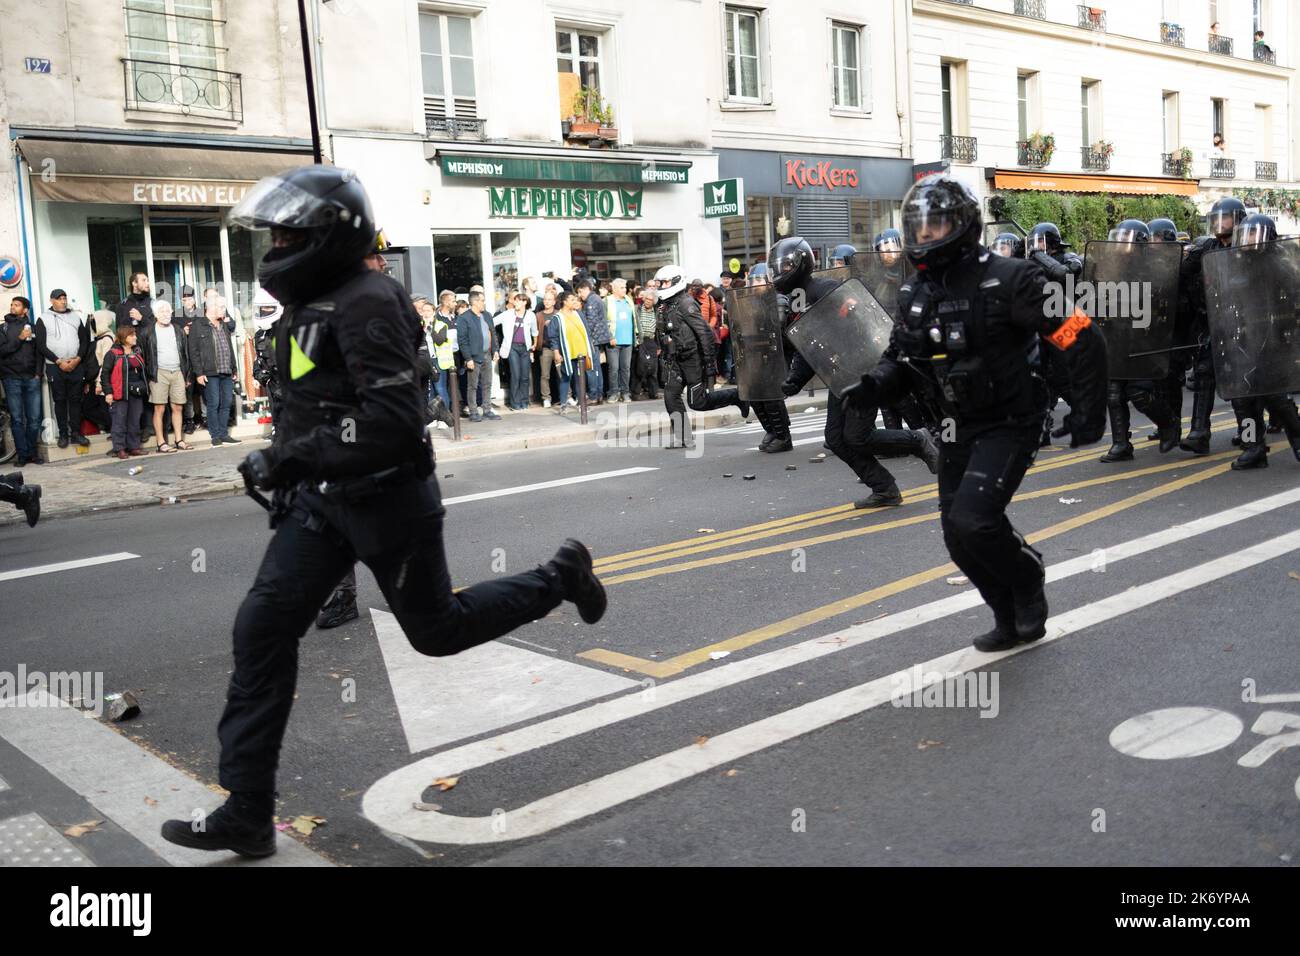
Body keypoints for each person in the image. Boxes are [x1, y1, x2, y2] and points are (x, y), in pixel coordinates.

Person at [157, 165, 606, 858]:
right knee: (261, 629)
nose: (275, 245)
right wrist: (292, 463)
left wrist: (290, 457)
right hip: (319, 506)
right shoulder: (313, 300)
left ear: (325, 237)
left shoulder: (369, 300)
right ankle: (247, 810)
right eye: (273, 233)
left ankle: (561, 577)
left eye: (287, 233)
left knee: (435, 631)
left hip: (390, 500)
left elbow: (394, 421)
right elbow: (316, 404)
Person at [843, 174, 1107, 653]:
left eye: (935, 226)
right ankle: (1006, 616)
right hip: (957, 425)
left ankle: (1029, 580)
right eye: (917, 229)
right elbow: (902, 359)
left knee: (976, 520)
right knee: (957, 537)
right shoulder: (914, 294)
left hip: (1013, 420)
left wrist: (1090, 411)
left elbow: (1081, 335)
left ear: (962, 225)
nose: (925, 237)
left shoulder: (1013, 279)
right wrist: (872, 386)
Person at [773, 237, 939, 507]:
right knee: (836, 438)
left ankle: (917, 439)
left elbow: (861, 324)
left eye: (785, 264)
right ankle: (884, 488)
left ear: (801, 263)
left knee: (857, 436)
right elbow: (810, 346)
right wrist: (794, 381)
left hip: (863, 369)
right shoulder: (796, 303)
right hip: (839, 374)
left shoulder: (827, 289)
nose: (779, 271)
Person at [1218, 214, 1300, 470]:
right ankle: (1253, 447)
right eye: (1245, 233)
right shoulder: (1235, 264)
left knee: (1276, 397)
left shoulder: (1281, 264)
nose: (1247, 238)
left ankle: (1299, 442)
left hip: (1273, 340)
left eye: (1253, 233)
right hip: (1243, 338)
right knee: (1242, 398)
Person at [1095, 219, 1181, 463]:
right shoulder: (1108, 266)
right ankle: (1121, 444)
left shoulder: (1153, 267)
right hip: (1116, 338)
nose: (1120, 243)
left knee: (1139, 393)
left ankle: (1169, 423)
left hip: (1144, 341)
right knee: (1113, 394)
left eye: (1126, 238)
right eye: (1118, 237)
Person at [655, 263, 749, 450]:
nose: (660, 287)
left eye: (664, 283)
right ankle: (683, 438)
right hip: (675, 360)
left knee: (697, 402)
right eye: (660, 283)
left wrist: (709, 363)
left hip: (692, 359)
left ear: (675, 282)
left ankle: (736, 396)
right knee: (670, 395)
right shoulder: (665, 305)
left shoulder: (686, 304)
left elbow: (704, 334)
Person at [1180, 196, 1246, 455]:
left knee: (1244, 382)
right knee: (1205, 373)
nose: (1220, 224)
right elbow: (1183, 274)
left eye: (1225, 218)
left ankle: (1249, 432)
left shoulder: (1249, 243)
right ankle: (1199, 434)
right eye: (1216, 219)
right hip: (1213, 321)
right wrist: (1188, 257)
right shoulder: (1208, 246)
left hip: (1243, 321)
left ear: (1237, 220)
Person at [1025, 222, 1084, 445]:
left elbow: (1064, 274)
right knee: (1039, 378)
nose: (1035, 247)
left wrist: (1039, 256)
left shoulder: (1070, 258)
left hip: (1067, 324)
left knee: (1062, 378)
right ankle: (1042, 430)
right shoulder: (1031, 263)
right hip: (1041, 326)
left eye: (1040, 243)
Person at [36, 289, 91, 449]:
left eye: (65, 298)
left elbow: (84, 340)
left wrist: (78, 359)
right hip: (55, 366)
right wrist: (58, 361)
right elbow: (41, 345)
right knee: (59, 401)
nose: (63, 301)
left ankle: (76, 433)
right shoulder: (43, 318)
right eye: (59, 299)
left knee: (76, 401)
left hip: (76, 364)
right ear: (52, 300)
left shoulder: (75, 317)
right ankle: (63, 435)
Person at [139, 299, 194, 453]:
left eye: (167, 310)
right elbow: (143, 355)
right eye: (161, 311)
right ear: (156, 314)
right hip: (158, 373)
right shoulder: (147, 332)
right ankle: (161, 442)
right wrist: (149, 375)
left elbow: (186, 354)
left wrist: (187, 376)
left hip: (177, 372)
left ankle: (179, 440)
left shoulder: (178, 330)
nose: (165, 313)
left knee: (178, 407)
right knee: (159, 408)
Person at [187, 292, 240, 447]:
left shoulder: (223, 324)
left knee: (227, 402)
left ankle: (224, 434)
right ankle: (215, 435)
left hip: (226, 371)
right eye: (221, 307)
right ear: (211, 308)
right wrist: (199, 373)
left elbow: (229, 347)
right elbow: (193, 351)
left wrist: (234, 368)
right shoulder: (198, 324)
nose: (224, 310)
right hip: (210, 372)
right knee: (213, 403)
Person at [1, 297, 44, 466]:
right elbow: (2, 351)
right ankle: (22, 455)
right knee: (18, 419)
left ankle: (32, 453)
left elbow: (39, 352)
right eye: (12, 304)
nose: (13, 307)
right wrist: (19, 338)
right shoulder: (3, 328)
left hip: (31, 378)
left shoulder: (33, 328)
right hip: (11, 378)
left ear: (25, 310)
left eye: (17, 305)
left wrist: (38, 373)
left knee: (34, 418)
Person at [100, 325, 147, 460]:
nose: (135, 337)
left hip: (135, 391)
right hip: (120, 392)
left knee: (135, 420)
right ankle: (119, 448)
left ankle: (134, 447)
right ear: (123, 337)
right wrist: (108, 392)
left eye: (135, 335)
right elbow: (105, 374)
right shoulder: (113, 354)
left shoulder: (136, 352)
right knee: (119, 420)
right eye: (131, 335)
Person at [456, 291, 498, 422]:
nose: (484, 303)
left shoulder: (487, 315)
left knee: (487, 383)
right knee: (472, 386)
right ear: (475, 302)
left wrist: (495, 350)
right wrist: (468, 358)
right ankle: (473, 412)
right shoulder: (464, 318)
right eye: (482, 300)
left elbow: (493, 333)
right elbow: (462, 340)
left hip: (487, 354)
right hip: (473, 356)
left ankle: (487, 409)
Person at [551, 290, 595, 409]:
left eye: (575, 299)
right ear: (565, 302)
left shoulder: (578, 314)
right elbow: (553, 337)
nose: (575, 302)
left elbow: (586, 330)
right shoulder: (557, 317)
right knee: (565, 377)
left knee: (580, 378)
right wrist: (556, 352)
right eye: (572, 300)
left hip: (581, 352)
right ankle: (563, 403)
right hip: (567, 352)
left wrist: (589, 348)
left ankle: (582, 404)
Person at [495, 291, 535, 411]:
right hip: (512, 347)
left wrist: (534, 346)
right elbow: (492, 322)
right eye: (515, 300)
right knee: (516, 375)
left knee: (525, 377)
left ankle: (524, 401)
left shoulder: (530, 315)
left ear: (524, 302)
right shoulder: (507, 314)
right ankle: (515, 403)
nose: (515, 302)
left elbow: (535, 332)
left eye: (518, 300)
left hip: (525, 348)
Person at [251, 287, 284, 429]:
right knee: (276, 420)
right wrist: (258, 374)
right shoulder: (260, 335)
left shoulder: (287, 329)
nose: (263, 312)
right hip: (272, 383)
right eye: (260, 309)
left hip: (289, 383)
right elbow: (258, 359)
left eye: (266, 309)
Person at [577, 279, 611, 403]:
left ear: (586, 289)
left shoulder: (591, 301)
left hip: (592, 339)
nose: (580, 295)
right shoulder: (596, 298)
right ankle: (598, 394)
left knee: (591, 367)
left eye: (580, 292)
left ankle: (593, 395)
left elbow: (590, 322)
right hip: (597, 338)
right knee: (596, 368)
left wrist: (588, 338)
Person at [605, 278, 636, 402]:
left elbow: (634, 319)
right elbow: (603, 321)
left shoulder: (629, 300)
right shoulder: (607, 301)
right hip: (613, 341)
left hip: (628, 340)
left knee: (626, 368)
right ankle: (613, 392)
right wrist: (610, 337)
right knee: (613, 368)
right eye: (622, 287)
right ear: (615, 289)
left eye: (625, 287)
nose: (625, 289)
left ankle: (625, 392)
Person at [632, 288, 660, 400]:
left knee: (653, 368)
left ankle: (654, 393)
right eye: (647, 299)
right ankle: (635, 393)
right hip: (641, 341)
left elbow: (659, 330)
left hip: (652, 341)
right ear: (643, 299)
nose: (648, 301)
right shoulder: (637, 309)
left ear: (654, 301)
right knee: (639, 368)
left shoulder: (657, 311)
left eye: (651, 300)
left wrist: (659, 346)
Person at [533, 285, 559, 407]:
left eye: (549, 299)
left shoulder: (559, 314)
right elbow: (534, 332)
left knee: (562, 372)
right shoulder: (538, 315)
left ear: (554, 302)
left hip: (558, 348)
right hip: (545, 348)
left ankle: (567, 395)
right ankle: (546, 398)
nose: (547, 302)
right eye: (545, 299)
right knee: (545, 375)